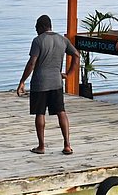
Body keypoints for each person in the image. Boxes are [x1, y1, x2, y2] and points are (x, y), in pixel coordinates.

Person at [16, 15, 80, 155]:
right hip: (57, 82)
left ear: (41, 27)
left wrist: (22, 81)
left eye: (36, 28)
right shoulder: (62, 39)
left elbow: (32, 63)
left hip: (40, 83)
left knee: (40, 113)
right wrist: (69, 74)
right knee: (61, 112)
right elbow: (76, 55)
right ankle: (67, 145)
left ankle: (41, 146)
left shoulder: (38, 41)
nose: (36, 31)